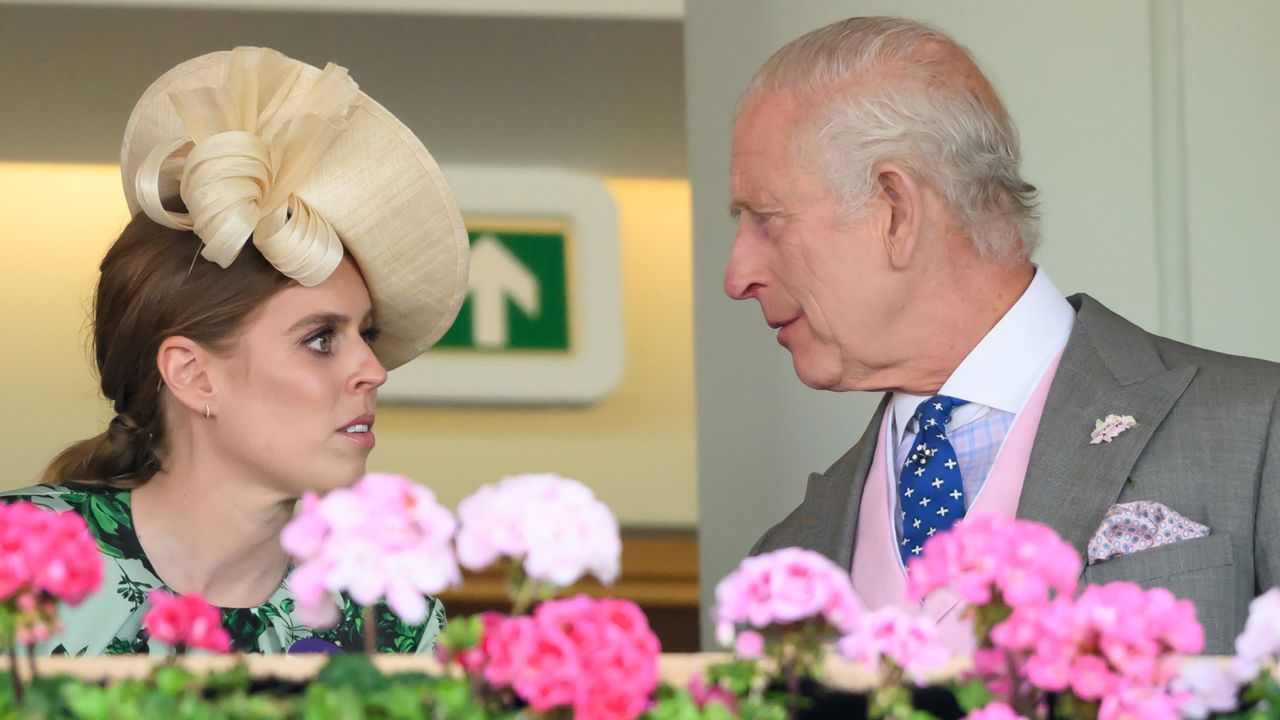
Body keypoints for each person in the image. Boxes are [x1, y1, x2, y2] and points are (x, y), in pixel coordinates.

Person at [726, 17, 1279, 653]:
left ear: (895, 211)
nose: (737, 276)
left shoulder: (1261, 428)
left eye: (767, 220)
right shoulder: (787, 555)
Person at [3, 46, 470, 655]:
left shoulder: (391, 622)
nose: (374, 370)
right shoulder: (17, 558)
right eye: (321, 338)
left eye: (368, 334)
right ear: (193, 375)